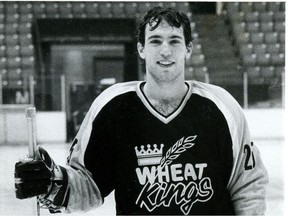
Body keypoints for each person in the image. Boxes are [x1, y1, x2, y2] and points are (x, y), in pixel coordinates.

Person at [15, 6, 269, 215]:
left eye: (175, 41)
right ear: (141, 49)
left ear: (188, 49)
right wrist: (53, 181)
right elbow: (89, 187)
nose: (165, 50)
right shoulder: (113, 107)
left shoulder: (220, 106)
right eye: (155, 41)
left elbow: (248, 186)